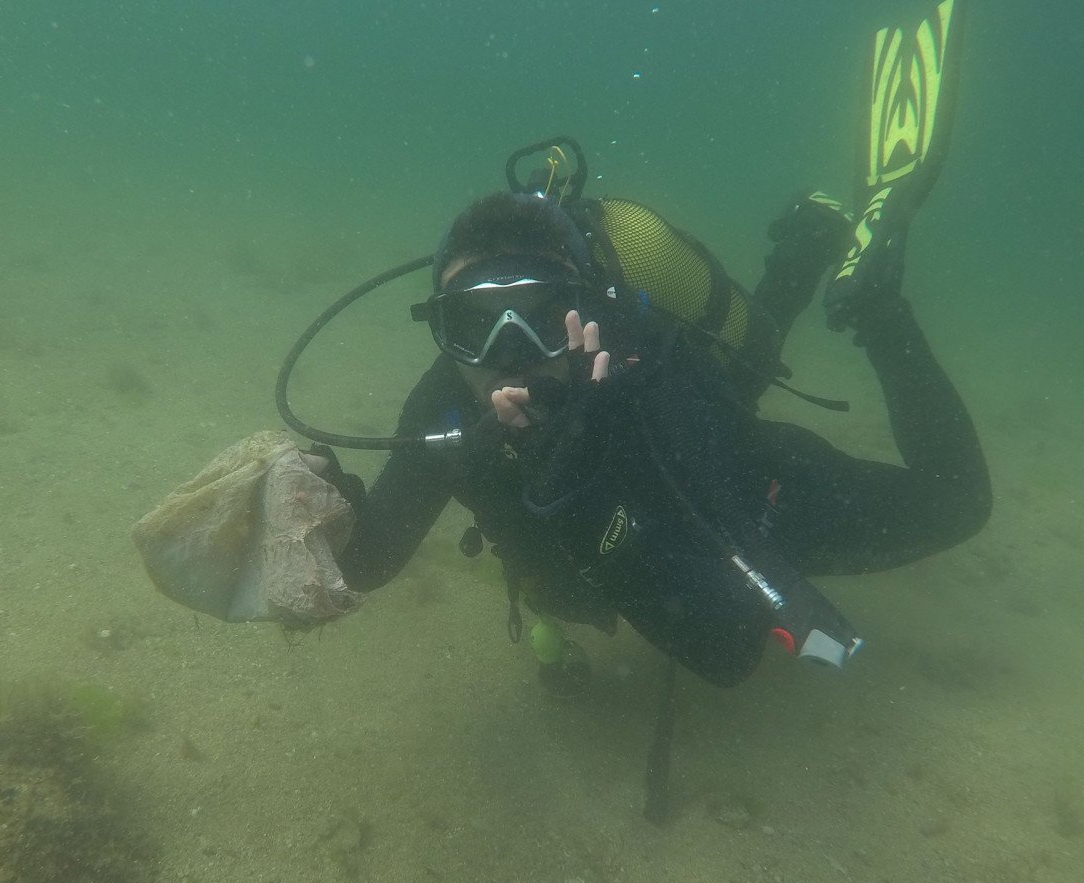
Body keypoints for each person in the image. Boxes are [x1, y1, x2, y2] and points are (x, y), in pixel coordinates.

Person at [305, 183, 991, 688]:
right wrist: (311, 509)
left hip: (729, 473)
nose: (506, 355)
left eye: (541, 315)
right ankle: (807, 249)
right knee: (753, 354)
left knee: (955, 502)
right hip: (628, 538)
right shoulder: (446, 409)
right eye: (472, 325)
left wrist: (595, 482)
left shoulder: (646, 369)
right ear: (442, 335)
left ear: (588, 310)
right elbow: (369, 559)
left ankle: (873, 305)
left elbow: (725, 648)